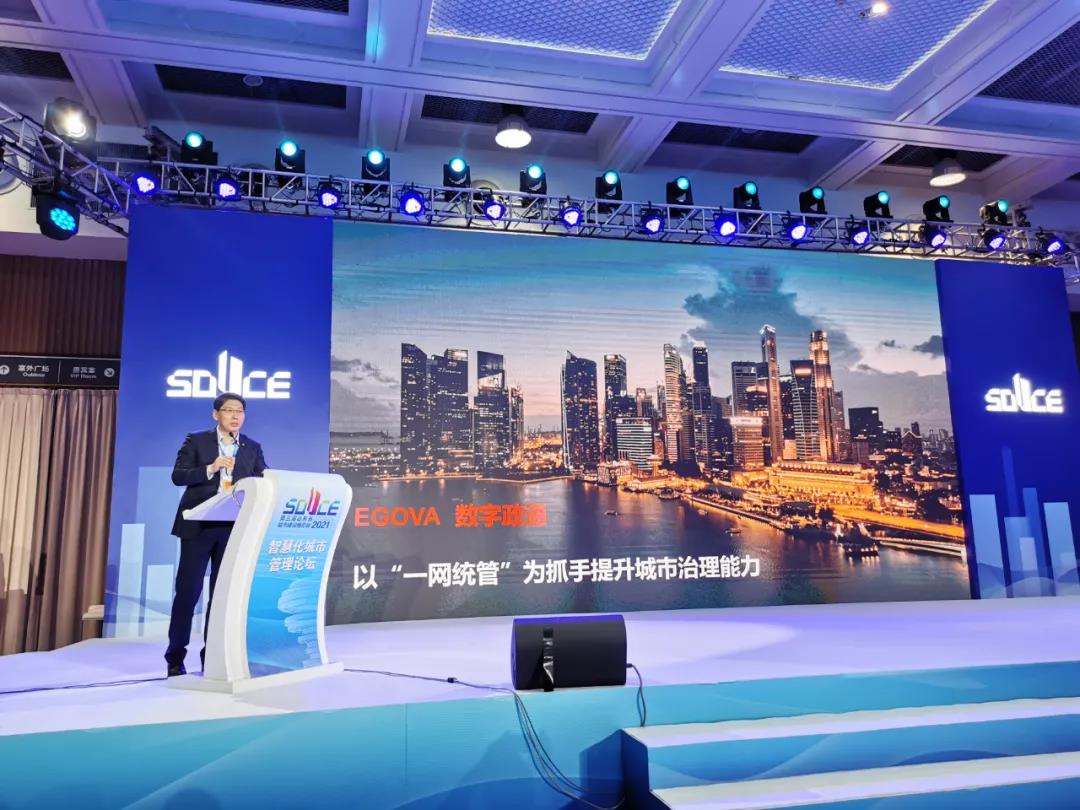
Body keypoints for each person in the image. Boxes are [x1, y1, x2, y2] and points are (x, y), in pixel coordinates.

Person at [165, 392, 267, 676]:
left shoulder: (252, 447)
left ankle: (211, 656)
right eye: (229, 410)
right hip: (199, 527)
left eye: (240, 411)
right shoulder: (197, 440)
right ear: (216, 414)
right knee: (188, 593)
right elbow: (178, 476)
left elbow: (264, 477)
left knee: (221, 596)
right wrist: (211, 468)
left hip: (232, 529)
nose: (235, 416)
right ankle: (175, 657)